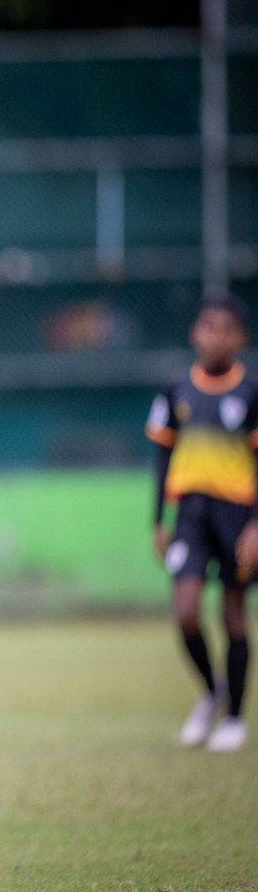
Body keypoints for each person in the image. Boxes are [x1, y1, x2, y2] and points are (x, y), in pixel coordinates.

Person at [147, 294, 258, 752]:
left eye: (226, 329)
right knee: (186, 610)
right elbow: (161, 456)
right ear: (195, 333)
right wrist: (157, 519)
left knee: (233, 615)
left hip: (237, 515)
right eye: (209, 328)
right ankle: (212, 693)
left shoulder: (251, 392)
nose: (216, 337)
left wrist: (255, 526)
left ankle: (234, 719)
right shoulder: (176, 390)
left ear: (240, 338)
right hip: (190, 514)